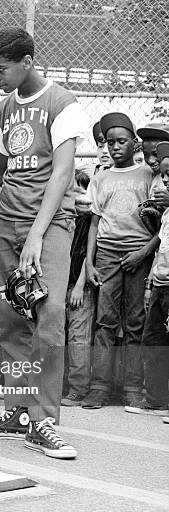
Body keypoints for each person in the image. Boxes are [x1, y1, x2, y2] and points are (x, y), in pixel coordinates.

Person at [0, 27, 88, 460]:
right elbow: (3, 178)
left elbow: (62, 173)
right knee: (11, 318)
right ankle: (17, 413)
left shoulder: (62, 103)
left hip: (50, 224)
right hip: (11, 224)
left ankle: (44, 419)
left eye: (2, 69)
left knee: (48, 314)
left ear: (28, 60)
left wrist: (36, 232)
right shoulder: (1, 109)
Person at [83, 112, 158, 409]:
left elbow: (161, 225)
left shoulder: (148, 175)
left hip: (139, 253)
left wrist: (143, 252)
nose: (115, 147)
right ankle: (99, 386)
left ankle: (132, 388)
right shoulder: (100, 178)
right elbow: (93, 223)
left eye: (122, 141)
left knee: (136, 321)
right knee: (105, 321)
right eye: (110, 142)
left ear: (134, 144)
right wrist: (89, 262)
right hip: (107, 254)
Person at [124, 141, 169, 420]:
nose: (165, 180)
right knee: (154, 342)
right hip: (162, 285)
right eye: (164, 175)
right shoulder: (166, 214)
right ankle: (156, 399)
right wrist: (152, 280)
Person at [61, 169, 96, 406]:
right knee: (58, 337)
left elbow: (88, 256)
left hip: (78, 286)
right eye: (74, 190)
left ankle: (78, 388)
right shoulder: (62, 219)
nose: (79, 195)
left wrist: (79, 285)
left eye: (83, 190)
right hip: (59, 284)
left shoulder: (87, 221)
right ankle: (59, 384)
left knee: (78, 338)